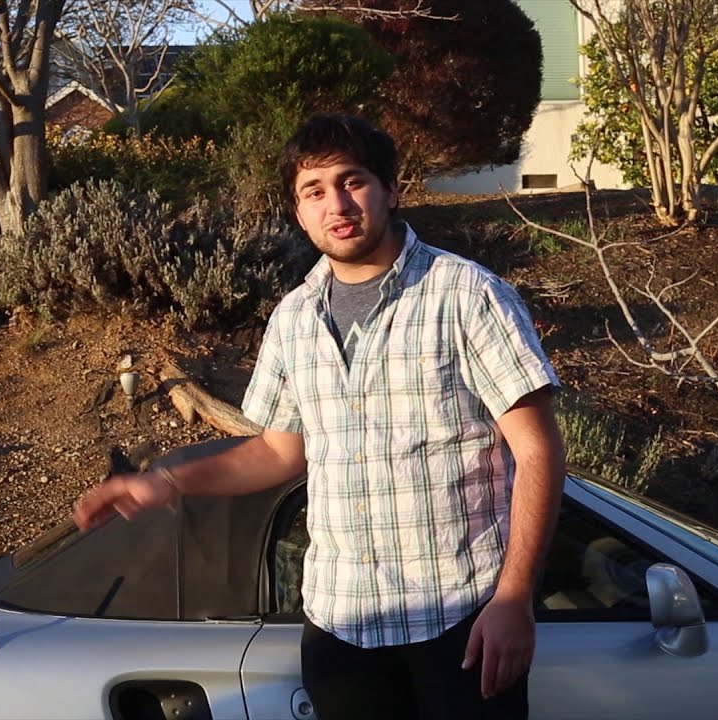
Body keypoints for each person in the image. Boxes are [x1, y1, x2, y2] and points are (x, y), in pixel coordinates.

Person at [72, 113, 565, 719]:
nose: (337, 203)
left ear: (389, 189)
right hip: (341, 623)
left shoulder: (467, 295)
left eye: (352, 181)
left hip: (460, 623)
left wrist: (515, 598)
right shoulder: (293, 318)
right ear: (299, 211)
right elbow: (278, 452)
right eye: (314, 191)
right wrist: (165, 481)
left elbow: (537, 451)